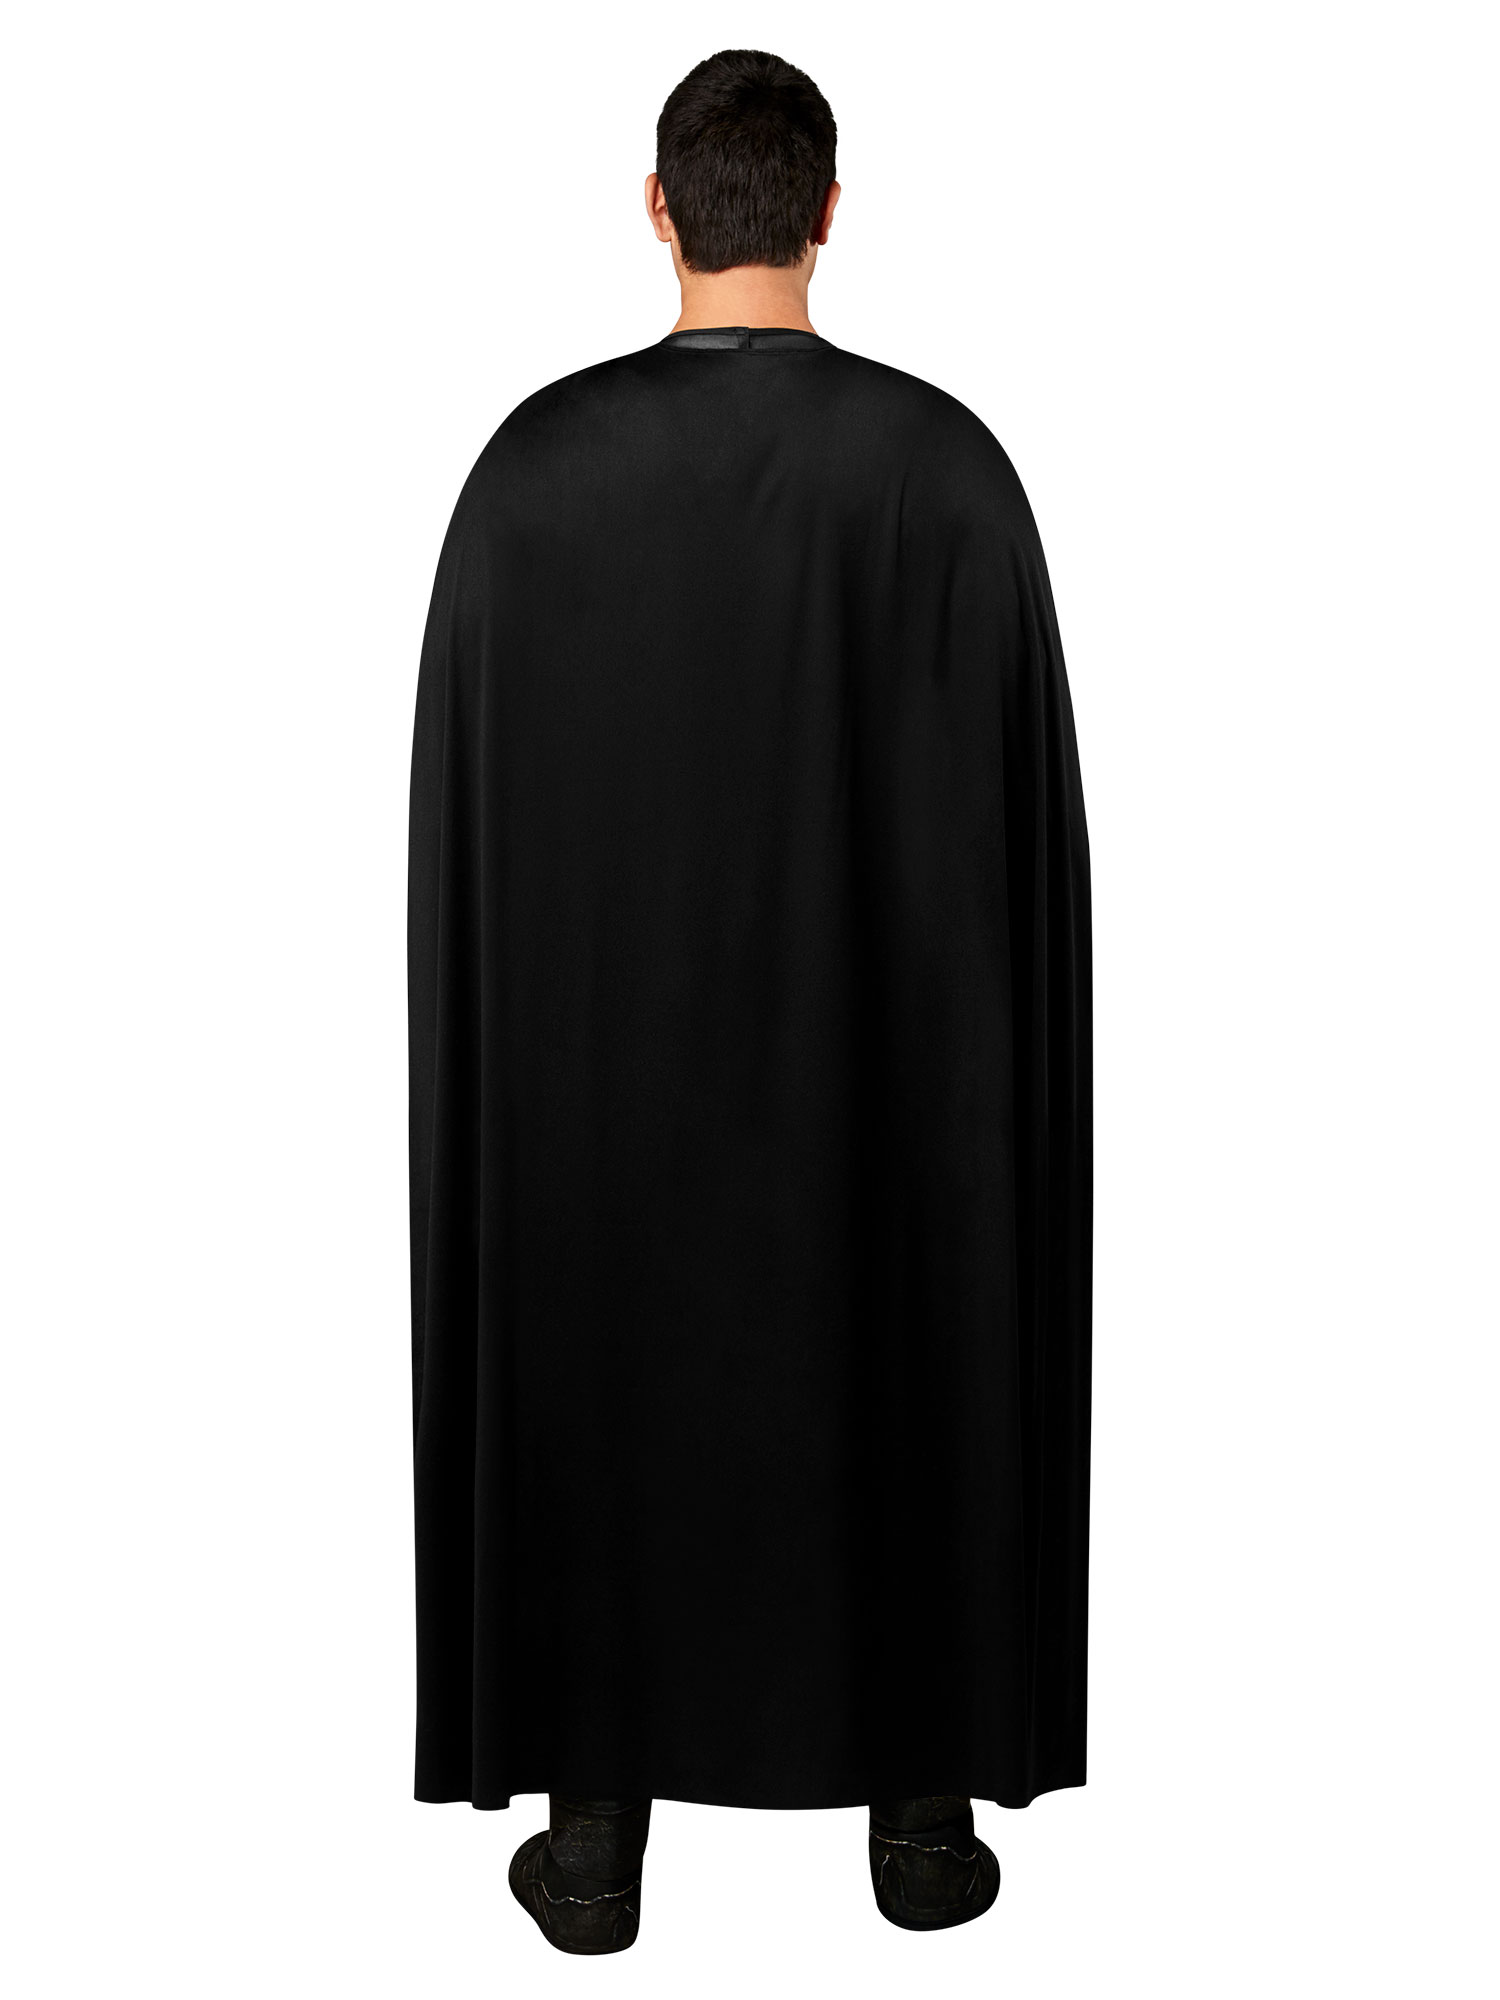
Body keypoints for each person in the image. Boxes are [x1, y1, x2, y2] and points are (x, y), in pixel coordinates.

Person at [408, 48, 1092, 1955]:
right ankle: (923, 1828)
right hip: (891, 1095)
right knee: (913, 1325)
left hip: (596, 1095)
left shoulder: (531, 479)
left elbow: (468, 846)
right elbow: (1024, 851)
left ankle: (595, 1846)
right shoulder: (947, 472)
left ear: (658, 211)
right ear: (828, 212)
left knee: (596, 1351)